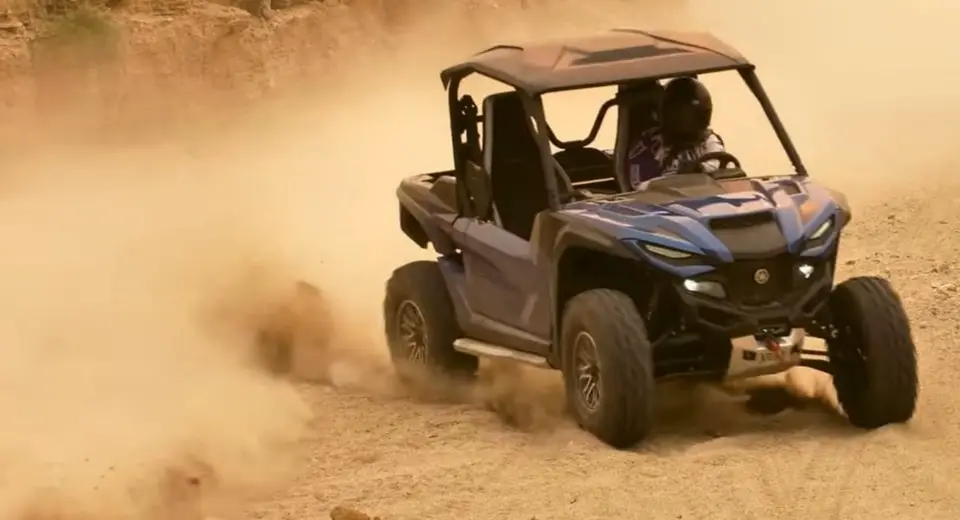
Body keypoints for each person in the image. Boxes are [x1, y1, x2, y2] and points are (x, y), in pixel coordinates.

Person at [626, 76, 726, 189]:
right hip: (662, 202)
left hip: (707, 199)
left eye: (695, 114)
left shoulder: (709, 139)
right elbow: (640, 188)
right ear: (670, 113)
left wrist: (700, 169)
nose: (690, 120)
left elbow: (719, 164)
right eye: (684, 114)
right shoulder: (648, 144)